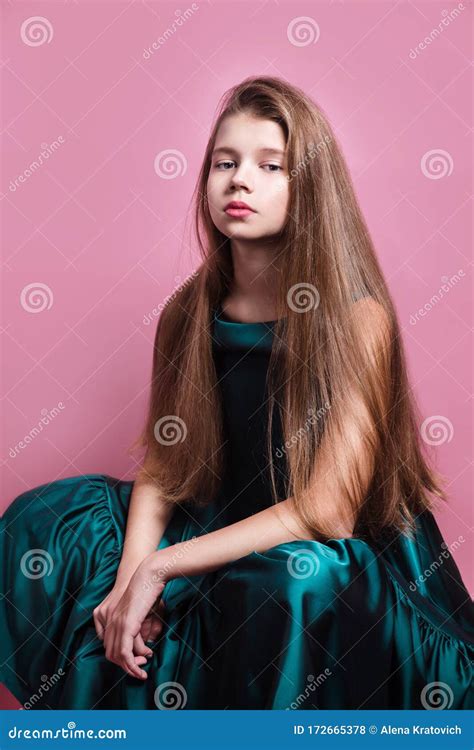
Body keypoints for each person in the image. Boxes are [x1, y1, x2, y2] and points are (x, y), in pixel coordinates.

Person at [1, 76, 473, 711]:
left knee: (301, 577)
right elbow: (168, 466)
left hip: (318, 542)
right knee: (50, 520)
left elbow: (328, 511)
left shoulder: (357, 319)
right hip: (216, 518)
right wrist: (131, 580)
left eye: (269, 165)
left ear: (308, 187)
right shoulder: (186, 313)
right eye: (225, 162)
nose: (238, 180)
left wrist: (164, 568)